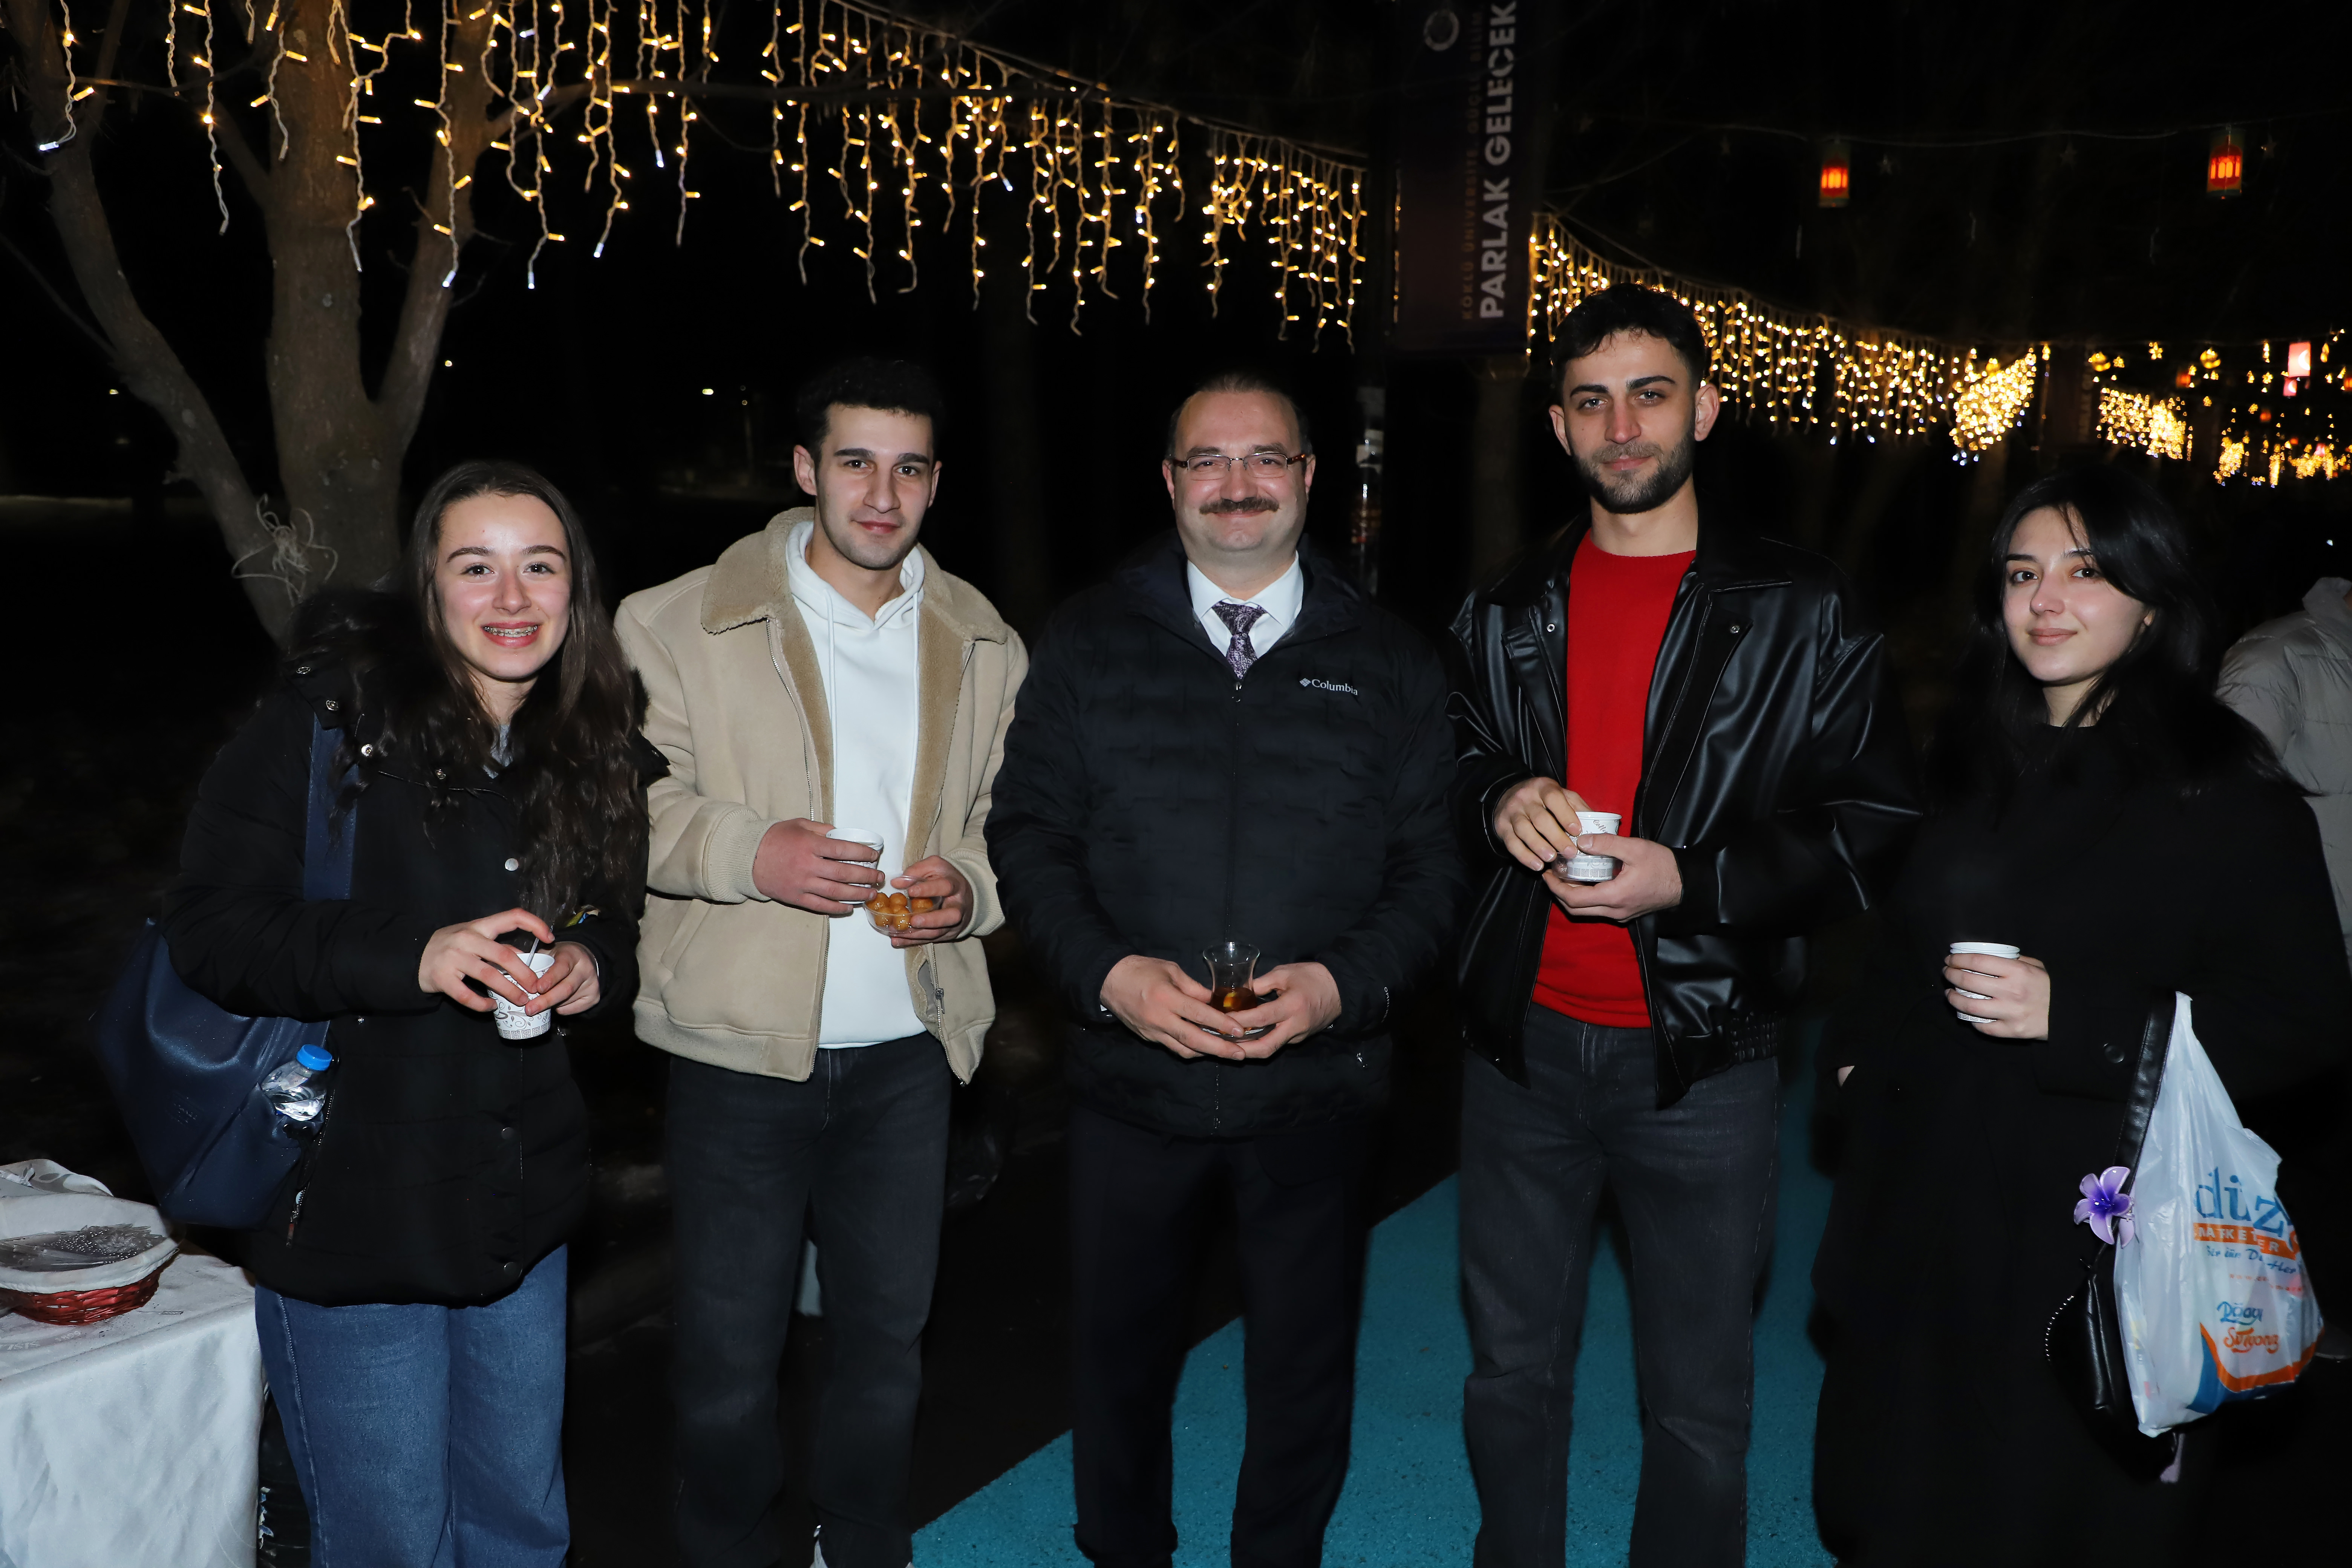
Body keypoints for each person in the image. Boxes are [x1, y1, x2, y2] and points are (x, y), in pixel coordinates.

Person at [1447, 285, 1919, 1568]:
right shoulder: (1505, 605)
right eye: (1592, 401)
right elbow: (1449, 762)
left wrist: (1690, 881)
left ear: (1705, 409)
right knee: (1509, 1377)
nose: (1623, 426)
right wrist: (1498, 795)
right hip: (1520, 1050)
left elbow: (1875, 820)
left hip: (1705, 1055)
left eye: (1650, 395)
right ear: (1558, 427)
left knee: (1699, 1404)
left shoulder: (1805, 606)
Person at [1811, 467, 2352, 1563]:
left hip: (2092, 1254)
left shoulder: (2227, 797)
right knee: (1895, 1505)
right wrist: (1856, 1063)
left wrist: (2083, 1018)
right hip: (1924, 1220)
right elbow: (1896, 953)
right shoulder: (1971, 762)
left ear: (2152, 604)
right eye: (2022, 574)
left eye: (2088, 572)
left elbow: (2303, 1020)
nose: (2046, 600)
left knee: (2049, 1520)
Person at [986, 369, 1462, 1568]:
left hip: (1318, 1090)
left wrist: (1342, 989)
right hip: (1130, 1086)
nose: (1237, 483)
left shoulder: (1393, 658)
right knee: (1118, 1360)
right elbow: (1029, 835)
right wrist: (1109, 977)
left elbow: (1433, 868)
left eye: (1265, 459)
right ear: (1170, 481)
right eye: (1208, 459)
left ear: (1308, 477)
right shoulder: (1089, 640)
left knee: (1304, 1367)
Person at [163, 460, 652, 1565]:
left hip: (521, 1211)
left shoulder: (588, 739)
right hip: (352, 1215)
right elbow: (211, 928)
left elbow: (606, 909)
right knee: (392, 1542)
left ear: (577, 591)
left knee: (520, 1528)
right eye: (476, 567)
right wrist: (414, 954)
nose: (512, 597)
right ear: (427, 587)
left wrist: (591, 961)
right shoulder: (334, 723)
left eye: (541, 567)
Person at [617, 357, 1024, 1568]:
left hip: (909, 1054)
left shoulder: (986, 642)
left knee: (885, 1348)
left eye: (909, 469)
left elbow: (1003, 828)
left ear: (936, 482)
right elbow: (623, 814)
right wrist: (755, 852)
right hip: (738, 1054)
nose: (882, 495)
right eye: (855, 463)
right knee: (728, 1361)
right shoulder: (674, 620)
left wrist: (970, 889)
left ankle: (860, 1545)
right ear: (804, 469)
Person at [2218, 580, 2352, 1357]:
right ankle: (2283, 1316)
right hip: (2305, 960)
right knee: (2294, 1148)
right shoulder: (2277, 659)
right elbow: (2215, 816)